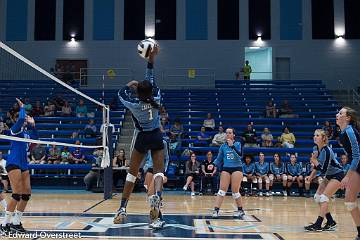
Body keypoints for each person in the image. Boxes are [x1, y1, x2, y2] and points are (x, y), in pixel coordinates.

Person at [114, 45, 165, 229]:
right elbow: (150, 77)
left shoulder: (134, 104)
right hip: (156, 136)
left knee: (132, 174)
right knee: (158, 173)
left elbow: (119, 95)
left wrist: (129, 84)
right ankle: (157, 198)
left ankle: (122, 209)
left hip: (142, 137)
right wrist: (152, 59)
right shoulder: (157, 97)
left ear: (138, 93)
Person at [0, 98, 37, 234]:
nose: (25, 118)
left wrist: (33, 125)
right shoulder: (14, 130)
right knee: (16, 194)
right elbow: (21, 120)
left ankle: (16, 223)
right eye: (23, 117)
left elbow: (35, 141)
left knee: (26, 194)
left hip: (23, 164)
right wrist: (22, 108)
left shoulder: (26, 133)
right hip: (13, 163)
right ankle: (4, 224)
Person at [305, 129, 344, 232]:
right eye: (314, 135)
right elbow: (317, 167)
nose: (315, 137)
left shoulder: (326, 150)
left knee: (323, 198)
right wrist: (311, 176)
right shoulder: (315, 148)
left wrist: (314, 161)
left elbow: (323, 169)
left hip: (337, 174)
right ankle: (331, 222)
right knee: (317, 197)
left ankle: (318, 225)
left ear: (323, 138)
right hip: (329, 175)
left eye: (317, 135)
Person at [336, 107, 360, 239]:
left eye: (340, 113)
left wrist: (347, 177)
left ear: (348, 118)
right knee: (350, 202)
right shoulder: (343, 132)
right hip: (356, 166)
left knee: (350, 201)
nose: (337, 114)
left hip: (359, 165)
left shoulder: (350, 131)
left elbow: (357, 156)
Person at [212, 128, 245, 219]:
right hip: (226, 168)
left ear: (233, 135)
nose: (227, 134)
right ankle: (216, 210)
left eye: (230, 133)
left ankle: (240, 210)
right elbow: (219, 159)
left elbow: (241, 155)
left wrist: (232, 146)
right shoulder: (222, 146)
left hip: (237, 168)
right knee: (221, 191)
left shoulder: (238, 144)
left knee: (235, 192)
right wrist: (213, 165)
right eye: (226, 133)